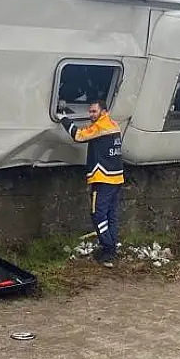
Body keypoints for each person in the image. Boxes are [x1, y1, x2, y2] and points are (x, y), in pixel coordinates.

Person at [56, 98, 124, 265]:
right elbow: (90, 130)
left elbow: (79, 136)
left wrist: (63, 118)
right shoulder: (113, 124)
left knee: (97, 214)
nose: (91, 115)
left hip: (103, 178)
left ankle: (107, 248)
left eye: (94, 111)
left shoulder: (100, 127)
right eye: (90, 111)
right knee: (111, 215)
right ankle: (112, 246)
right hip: (117, 178)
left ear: (104, 111)